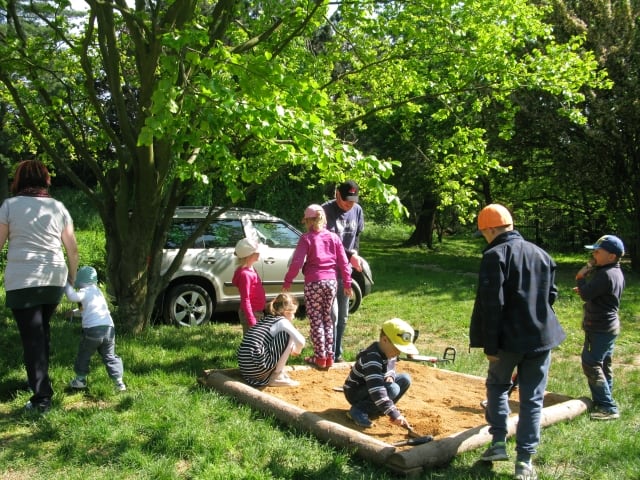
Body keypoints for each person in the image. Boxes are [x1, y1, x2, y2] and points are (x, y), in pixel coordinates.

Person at [469, 203, 566, 480]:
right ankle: (525, 461)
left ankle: (498, 442)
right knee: (532, 399)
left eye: (483, 233)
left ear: (490, 229)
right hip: (541, 338)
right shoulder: (541, 254)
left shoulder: (494, 255)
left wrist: (490, 346)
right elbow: (552, 295)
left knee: (498, 387)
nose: (485, 239)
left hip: (508, 341)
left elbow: (492, 304)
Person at [0, 159, 79, 413]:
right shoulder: (58, 208)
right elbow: (72, 249)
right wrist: (71, 278)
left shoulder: (10, 207)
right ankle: (39, 382)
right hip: (54, 278)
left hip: (24, 280)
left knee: (33, 337)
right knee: (41, 332)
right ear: (45, 179)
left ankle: (42, 397)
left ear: (19, 179)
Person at [282, 204, 352, 369]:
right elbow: (343, 261)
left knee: (316, 319)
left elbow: (297, 261)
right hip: (331, 282)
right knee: (327, 318)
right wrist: (347, 282)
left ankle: (319, 357)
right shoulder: (333, 237)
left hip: (314, 282)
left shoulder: (307, 238)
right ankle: (329, 356)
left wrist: (288, 281)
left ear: (308, 221)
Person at [574, 234, 625, 421]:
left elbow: (586, 294)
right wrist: (588, 289)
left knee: (591, 363)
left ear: (612, 256)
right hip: (608, 326)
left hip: (600, 327)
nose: (594, 254)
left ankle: (608, 406)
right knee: (604, 364)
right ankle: (603, 400)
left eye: (598, 251)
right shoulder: (614, 272)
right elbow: (598, 293)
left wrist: (580, 277)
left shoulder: (606, 274)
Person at [343, 318, 417, 430]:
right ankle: (359, 410)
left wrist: (390, 375)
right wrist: (394, 414)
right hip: (356, 392)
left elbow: (391, 365)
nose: (398, 352)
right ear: (384, 340)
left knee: (405, 379)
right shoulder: (372, 359)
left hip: (373, 386)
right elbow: (376, 389)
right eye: (397, 348)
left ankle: (380, 407)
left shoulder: (388, 352)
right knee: (392, 389)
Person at [64, 266, 126, 392]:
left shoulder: (85, 291)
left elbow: (72, 297)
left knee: (84, 354)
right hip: (108, 329)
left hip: (93, 330)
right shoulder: (97, 292)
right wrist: (74, 313)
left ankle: (80, 380)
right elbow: (86, 310)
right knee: (110, 356)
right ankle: (119, 382)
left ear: (80, 281)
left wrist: (66, 285)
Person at [322, 180, 365, 363]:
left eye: (353, 200)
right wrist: (350, 256)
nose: (350, 204)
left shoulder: (357, 210)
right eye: (347, 200)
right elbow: (329, 242)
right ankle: (327, 353)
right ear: (337, 194)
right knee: (332, 315)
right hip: (328, 271)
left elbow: (355, 239)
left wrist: (354, 255)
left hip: (345, 272)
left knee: (343, 317)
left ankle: (337, 353)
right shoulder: (325, 211)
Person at [237, 293, 305, 387]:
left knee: (285, 335)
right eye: (293, 314)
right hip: (257, 368)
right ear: (286, 312)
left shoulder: (266, 320)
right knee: (289, 335)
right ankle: (277, 376)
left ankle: (273, 373)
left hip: (246, 369)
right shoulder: (282, 321)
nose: (294, 317)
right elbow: (301, 341)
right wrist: (296, 351)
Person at [232, 238, 267, 333]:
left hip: (257, 311)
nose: (259, 254)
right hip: (251, 313)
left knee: (258, 341)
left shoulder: (251, 269)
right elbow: (245, 299)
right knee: (252, 344)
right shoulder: (245, 275)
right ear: (248, 256)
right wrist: (251, 319)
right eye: (256, 252)